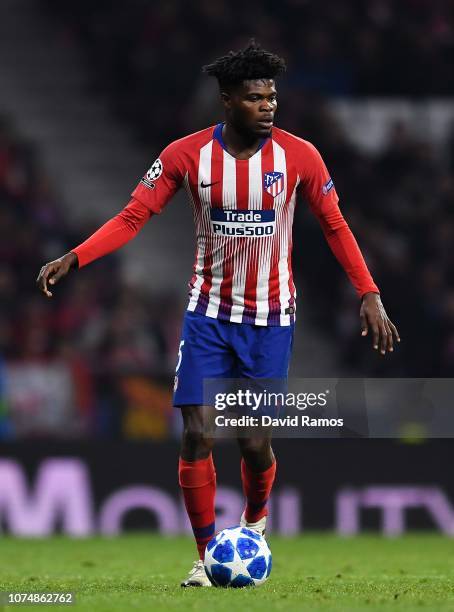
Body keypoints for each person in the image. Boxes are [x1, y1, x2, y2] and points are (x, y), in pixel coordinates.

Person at [36, 41, 400, 587]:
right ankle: (208, 558)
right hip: (207, 314)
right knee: (197, 435)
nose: (268, 106)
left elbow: (335, 225)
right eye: (256, 98)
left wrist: (368, 292)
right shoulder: (186, 155)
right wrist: (76, 256)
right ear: (227, 101)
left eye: (272, 97)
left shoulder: (300, 156)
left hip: (272, 318)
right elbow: (135, 215)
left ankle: (254, 523)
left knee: (254, 444)